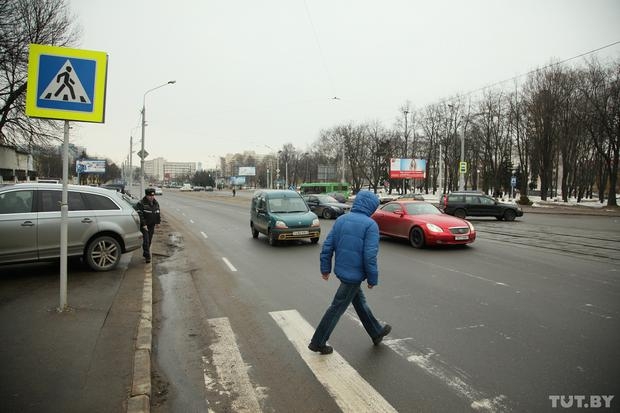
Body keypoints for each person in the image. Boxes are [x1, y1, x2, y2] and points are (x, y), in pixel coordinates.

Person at [308, 190, 391, 355]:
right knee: (336, 308)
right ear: (371, 207)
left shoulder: (341, 220)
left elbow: (327, 246)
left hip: (343, 271)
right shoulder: (370, 225)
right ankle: (318, 342)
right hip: (354, 275)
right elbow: (369, 256)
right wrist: (372, 279)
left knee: (359, 302)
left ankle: (376, 332)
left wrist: (326, 268)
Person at [137, 188, 161, 263]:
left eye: (153, 196)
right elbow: (140, 215)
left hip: (152, 225)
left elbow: (157, 212)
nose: (151, 197)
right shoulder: (141, 203)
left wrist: (158, 222)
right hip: (145, 226)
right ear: (146, 195)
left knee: (149, 240)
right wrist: (144, 224)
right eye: (150, 196)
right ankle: (147, 256)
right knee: (146, 241)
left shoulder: (155, 203)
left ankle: (145, 253)